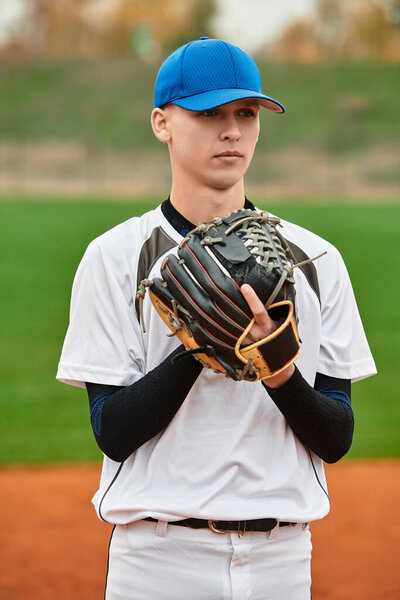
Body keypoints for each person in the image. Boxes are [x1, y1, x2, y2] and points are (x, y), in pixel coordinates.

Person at [57, 37, 376, 600]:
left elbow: (336, 436)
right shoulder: (115, 255)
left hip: (283, 561)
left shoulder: (315, 259)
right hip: (158, 561)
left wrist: (278, 372)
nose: (231, 130)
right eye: (208, 113)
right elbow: (113, 430)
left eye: (245, 114)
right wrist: (199, 343)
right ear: (162, 123)